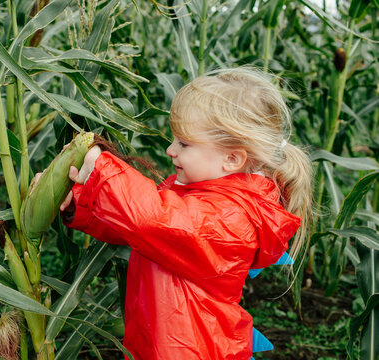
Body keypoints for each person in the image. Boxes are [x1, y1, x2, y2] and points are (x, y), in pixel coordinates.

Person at [52, 68, 313, 359]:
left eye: (184, 144)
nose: (169, 150)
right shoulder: (192, 194)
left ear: (232, 158)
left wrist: (99, 169)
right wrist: (81, 201)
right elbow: (137, 230)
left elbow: (151, 219)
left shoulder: (232, 220)